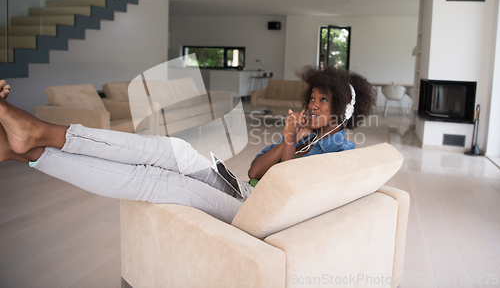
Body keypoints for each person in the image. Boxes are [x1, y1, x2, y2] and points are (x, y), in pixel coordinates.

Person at [0, 66, 375, 223]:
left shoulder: (341, 152)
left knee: (160, 182)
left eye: (323, 100)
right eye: (312, 97)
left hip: (256, 214)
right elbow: (255, 171)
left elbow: (288, 190)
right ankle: (35, 138)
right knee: (173, 151)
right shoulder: (307, 137)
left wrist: (291, 141)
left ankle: (31, 148)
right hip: (244, 191)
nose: (312, 104)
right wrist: (292, 139)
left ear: (343, 109)